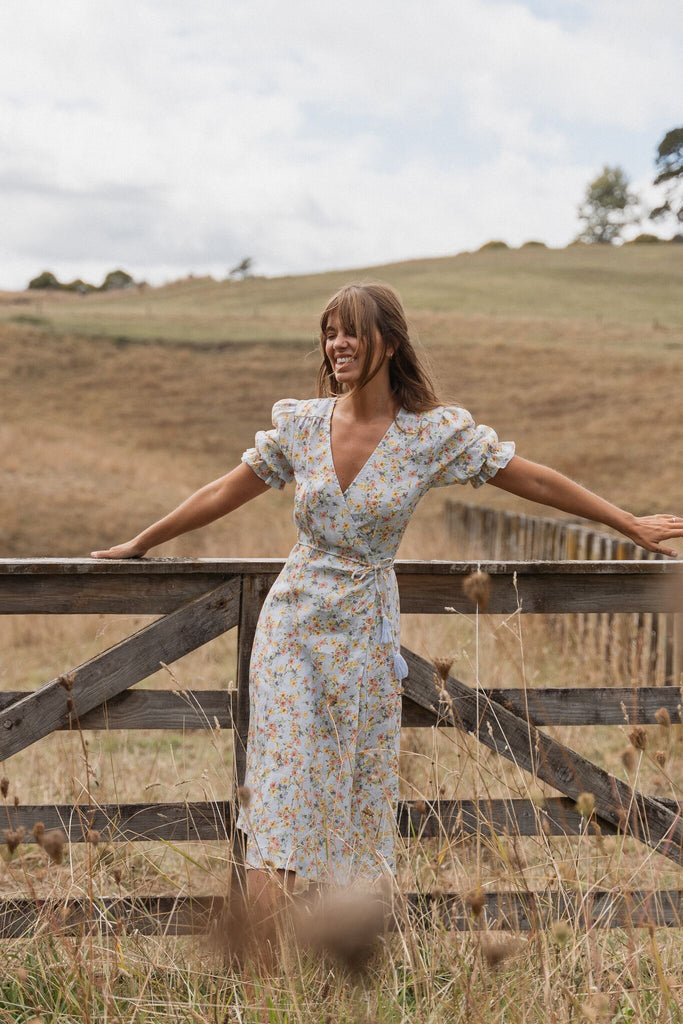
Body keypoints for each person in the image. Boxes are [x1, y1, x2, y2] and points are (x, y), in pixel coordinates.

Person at [91, 281, 682, 941]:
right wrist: (142, 541)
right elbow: (224, 489)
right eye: (329, 332)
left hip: (363, 634)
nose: (336, 344)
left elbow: (534, 478)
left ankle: (338, 949)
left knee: (350, 789)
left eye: (351, 331)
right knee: (281, 786)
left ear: (389, 342)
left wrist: (626, 521)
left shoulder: (429, 434)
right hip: (292, 625)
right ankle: (258, 965)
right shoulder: (302, 423)